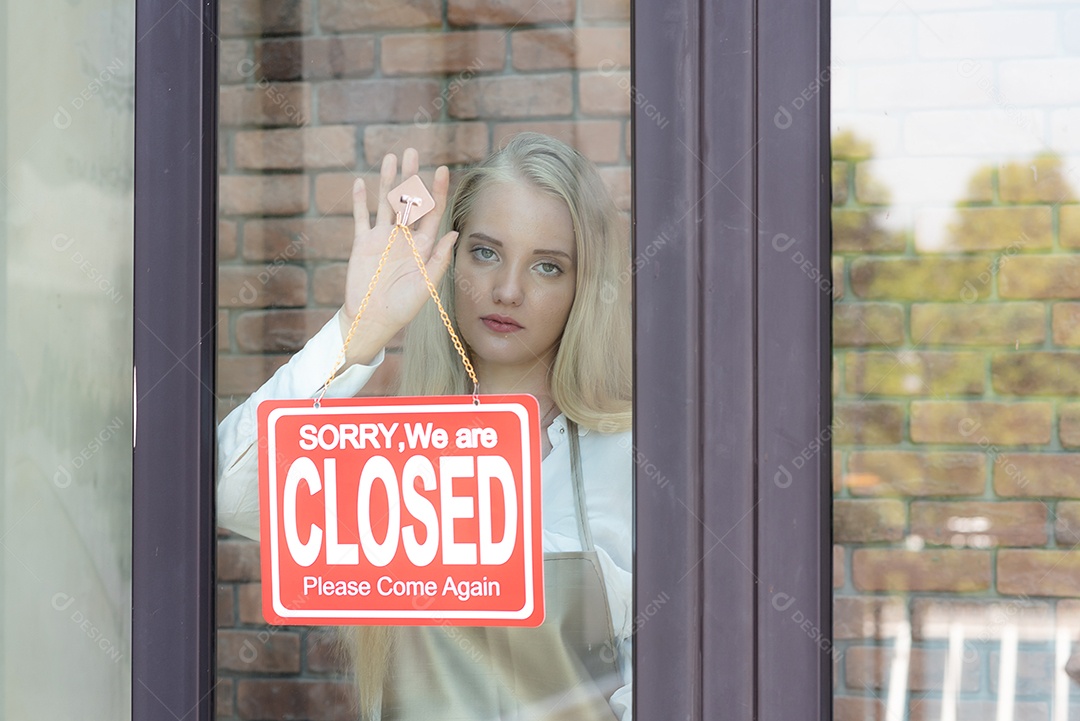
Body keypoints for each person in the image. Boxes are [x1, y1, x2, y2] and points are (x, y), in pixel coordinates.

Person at [217, 133, 633, 720]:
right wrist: (356, 332)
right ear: (451, 260)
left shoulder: (631, 461)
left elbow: (673, 684)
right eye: (485, 253)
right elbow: (229, 491)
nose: (507, 290)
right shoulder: (392, 459)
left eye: (547, 266)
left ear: (582, 286)